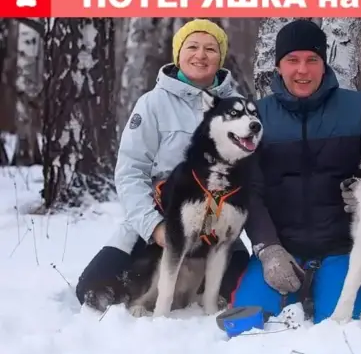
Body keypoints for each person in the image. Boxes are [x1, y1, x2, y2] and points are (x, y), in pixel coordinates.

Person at [75, 19, 250, 313]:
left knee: (240, 287)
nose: (201, 55)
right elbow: (130, 172)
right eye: (192, 46)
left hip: (215, 226)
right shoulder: (152, 104)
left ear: (220, 57)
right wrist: (153, 227)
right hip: (159, 218)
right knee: (94, 290)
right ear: (178, 53)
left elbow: (247, 172)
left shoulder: (238, 106)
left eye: (210, 48)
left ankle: (201, 286)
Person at [231, 19, 361, 323]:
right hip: (282, 247)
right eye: (293, 60)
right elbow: (249, 192)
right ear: (278, 67)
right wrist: (267, 248)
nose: (303, 70)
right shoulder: (256, 116)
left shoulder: (359, 109)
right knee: (242, 324)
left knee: (344, 328)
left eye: (312, 60)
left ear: (324, 64)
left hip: (345, 247)